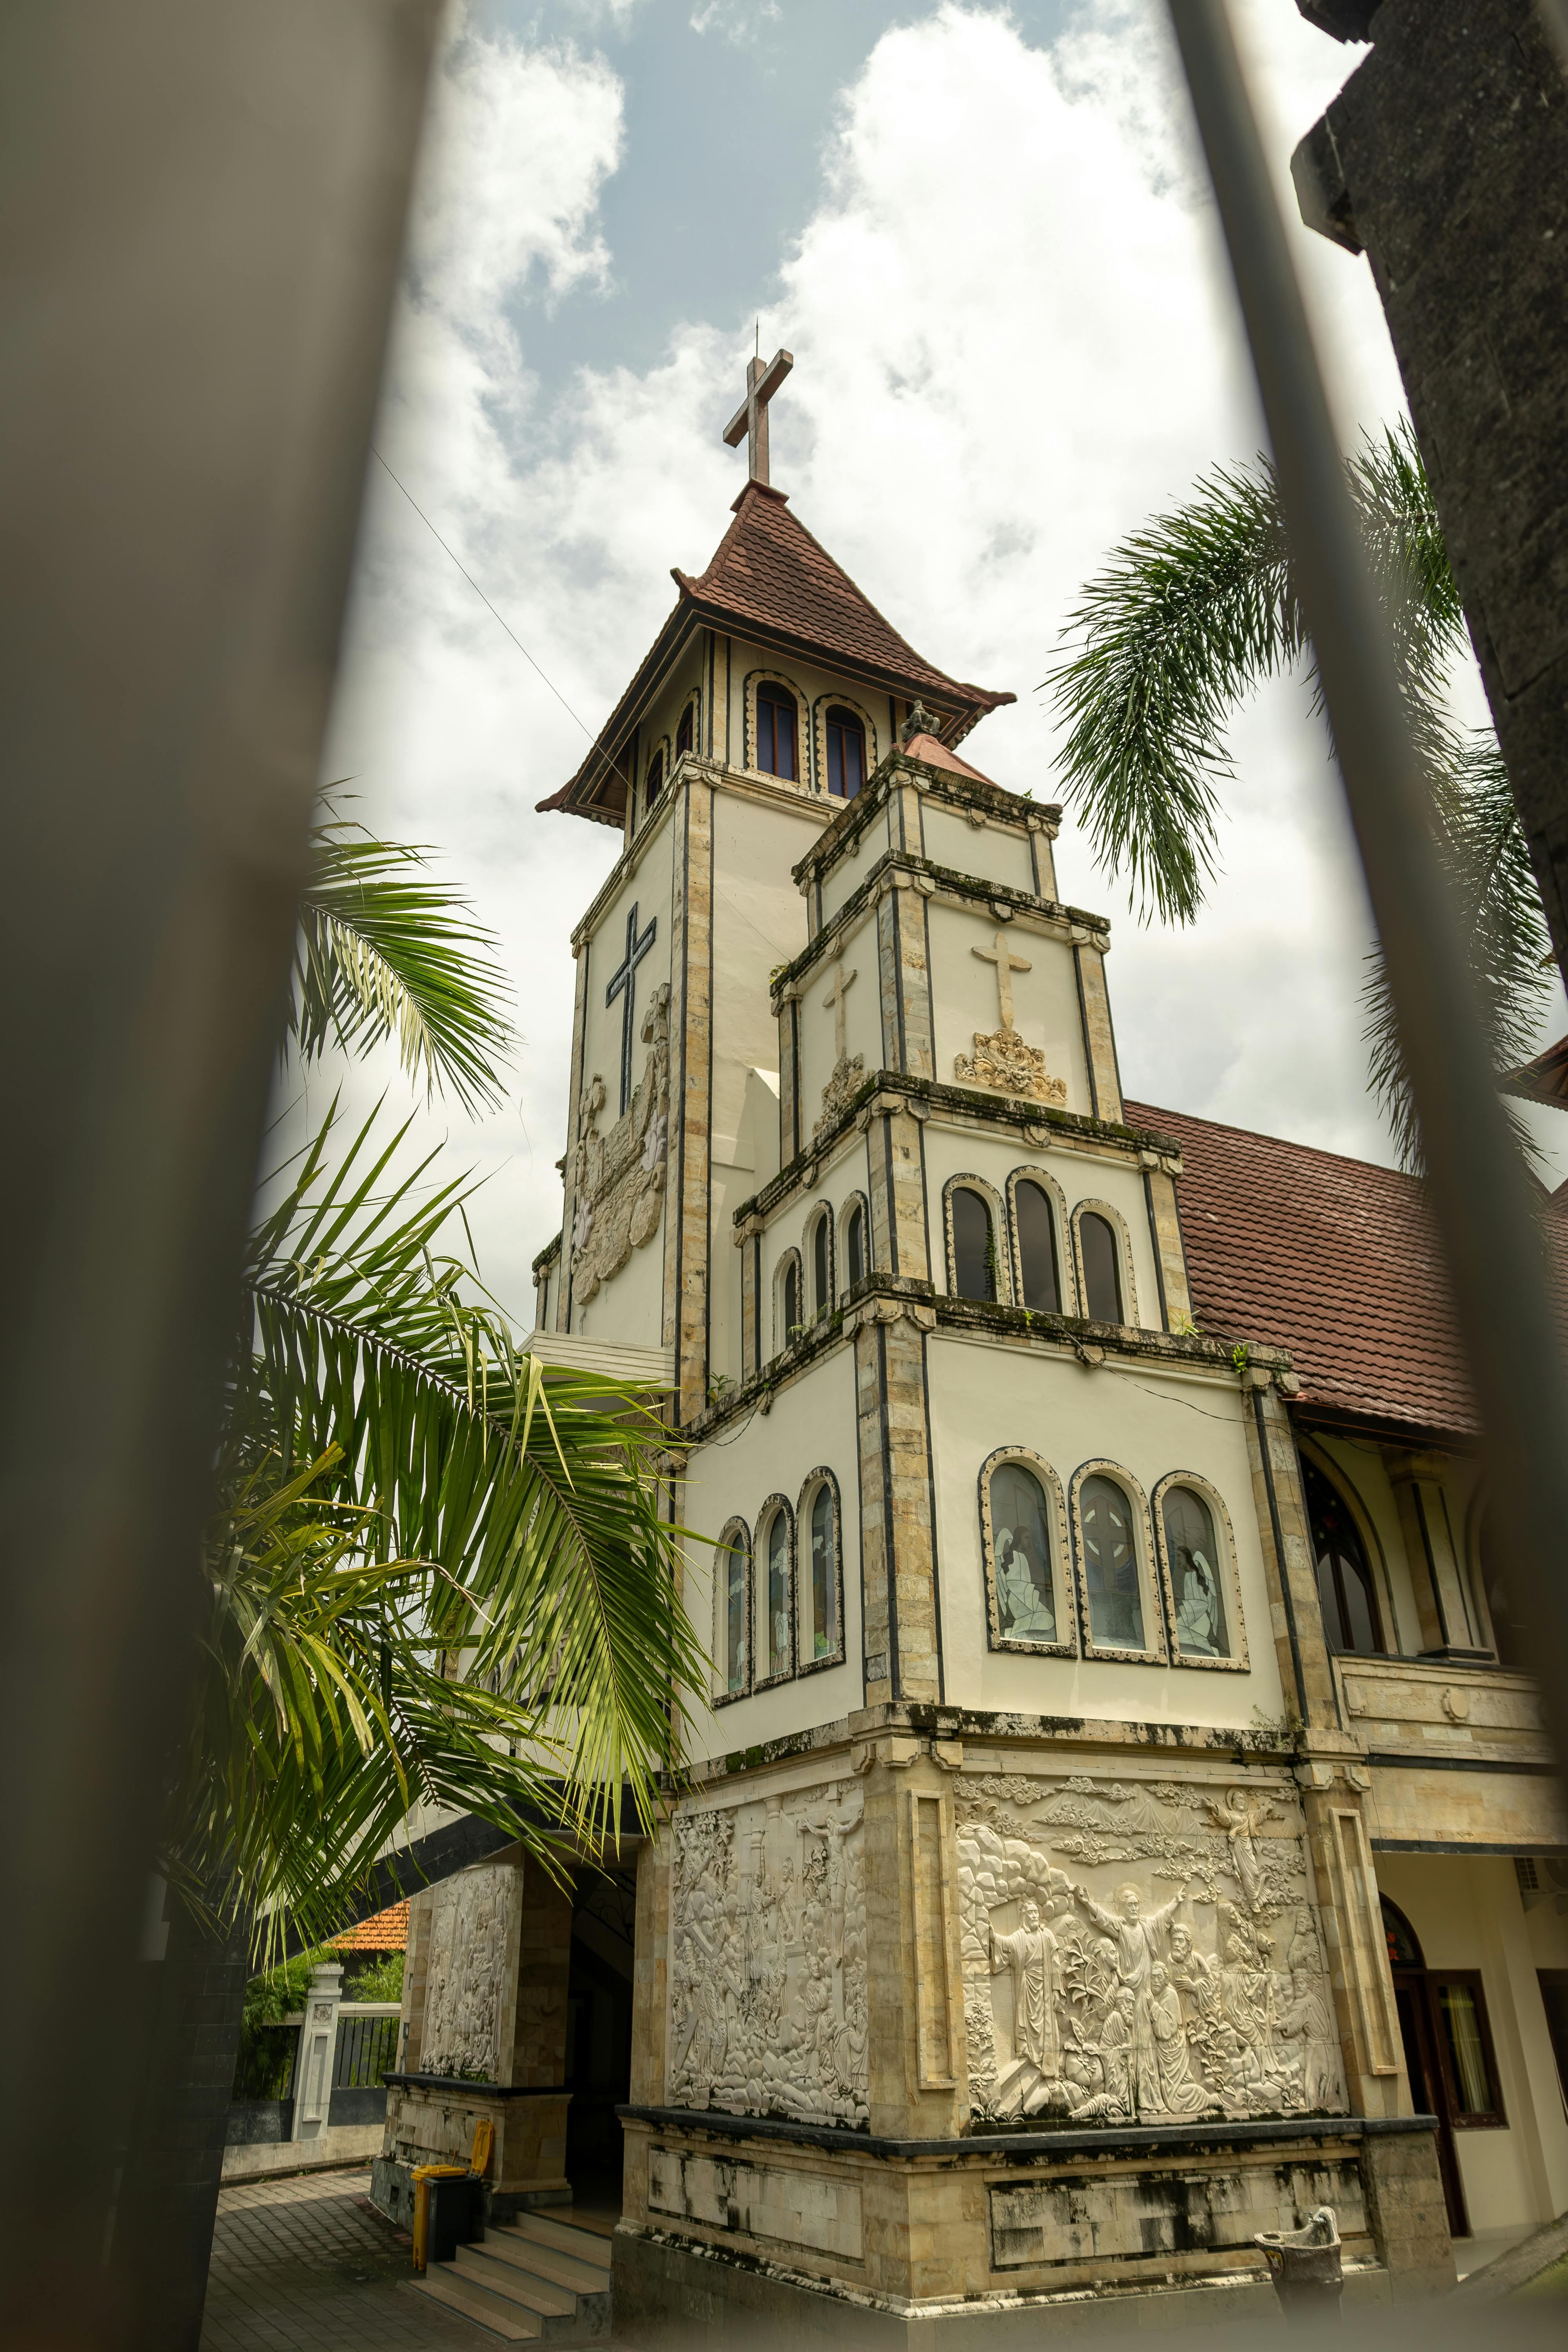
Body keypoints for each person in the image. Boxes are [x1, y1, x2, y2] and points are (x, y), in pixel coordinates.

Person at [989, 1897, 1063, 2075]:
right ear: (1025, 1917)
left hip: (1045, 1986)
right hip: (1028, 1984)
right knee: (1028, 2021)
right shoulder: (1020, 1937)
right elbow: (1007, 1944)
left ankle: (1048, 2064)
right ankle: (1030, 2052)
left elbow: (1055, 1964)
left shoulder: (1047, 1937)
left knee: (1046, 2025)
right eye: (1031, 1913)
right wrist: (993, 1937)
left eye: (1036, 1913)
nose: (1034, 1916)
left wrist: (1055, 1990)